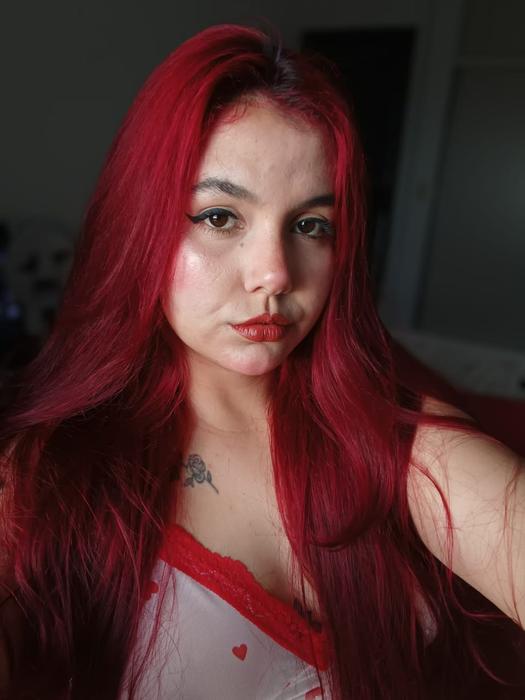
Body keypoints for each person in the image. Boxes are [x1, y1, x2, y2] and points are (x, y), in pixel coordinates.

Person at [0, 23, 523, 700]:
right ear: (140, 226)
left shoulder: (398, 443)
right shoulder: (46, 479)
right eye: (220, 217)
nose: (274, 274)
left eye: (309, 226)